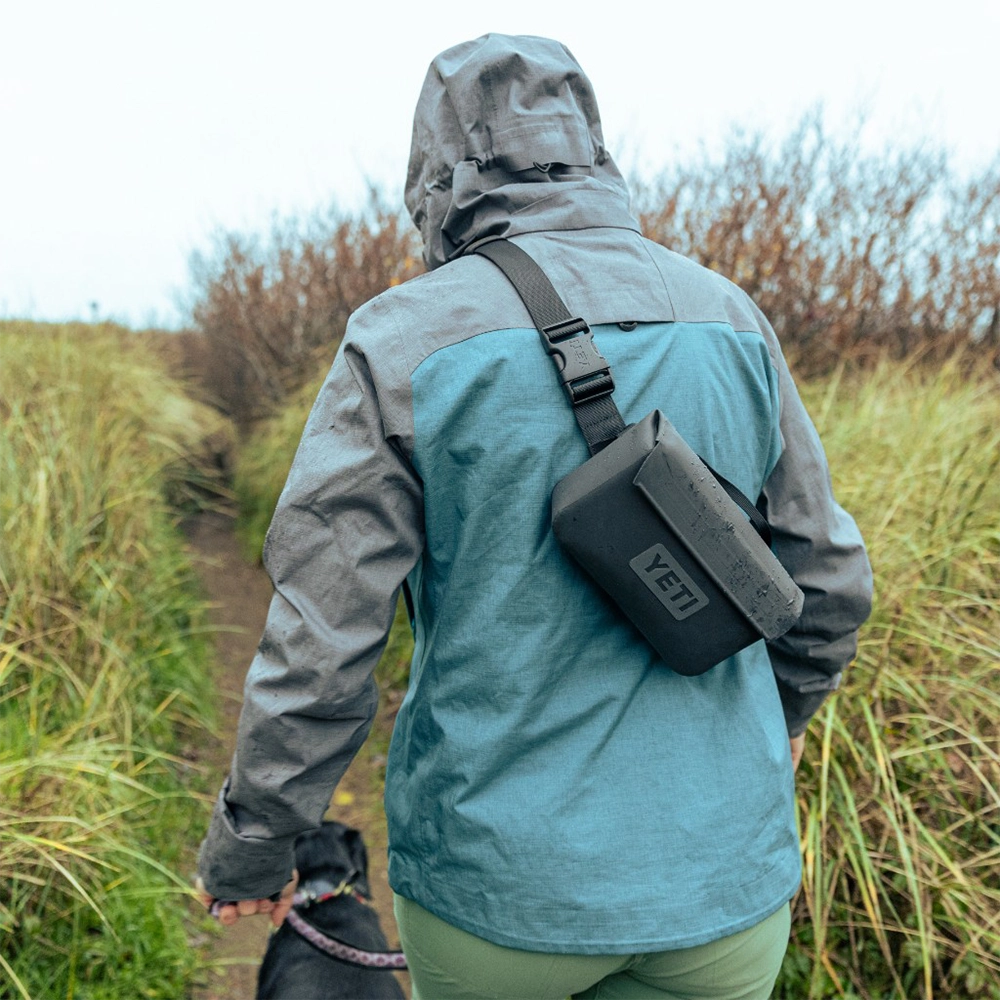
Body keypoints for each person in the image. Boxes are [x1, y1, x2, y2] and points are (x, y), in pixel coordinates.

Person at [196, 33, 873, 1000]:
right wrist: (778, 721)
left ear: (435, 171)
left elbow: (322, 644)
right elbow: (831, 583)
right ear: (594, 148)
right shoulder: (732, 319)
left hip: (497, 895)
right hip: (721, 890)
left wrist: (255, 847)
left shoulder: (400, 341)